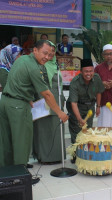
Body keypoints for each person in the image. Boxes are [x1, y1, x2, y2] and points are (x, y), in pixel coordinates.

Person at [0, 40, 68, 171]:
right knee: (22, 140)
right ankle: (20, 175)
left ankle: (6, 174)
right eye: (45, 53)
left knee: (5, 141)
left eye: (50, 55)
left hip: (5, 102)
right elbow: (47, 94)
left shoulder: (21, 59)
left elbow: (18, 82)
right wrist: (60, 113)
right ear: (35, 50)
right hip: (18, 106)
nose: (47, 57)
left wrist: (28, 98)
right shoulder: (33, 67)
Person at [33, 41, 66, 164]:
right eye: (48, 51)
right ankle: (45, 157)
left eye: (53, 51)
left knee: (56, 129)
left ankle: (57, 156)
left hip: (57, 100)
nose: (50, 54)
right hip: (43, 101)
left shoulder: (55, 65)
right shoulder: (39, 65)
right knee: (44, 129)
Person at [66, 58, 105, 163]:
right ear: (81, 71)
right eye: (86, 71)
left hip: (90, 107)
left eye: (91, 71)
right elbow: (73, 103)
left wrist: (98, 106)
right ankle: (75, 155)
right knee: (76, 132)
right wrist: (79, 118)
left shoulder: (96, 78)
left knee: (88, 130)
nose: (89, 74)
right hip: (76, 107)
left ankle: (85, 153)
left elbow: (98, 92)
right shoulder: (75, 82)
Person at [94, 44, 112, 130]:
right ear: (103, 55)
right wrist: (101, 83)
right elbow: (94, 84)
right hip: (103, 103)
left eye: (111, 54)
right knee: (104, 129)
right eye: (106, 54)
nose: (109, 56)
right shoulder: (98, 68)